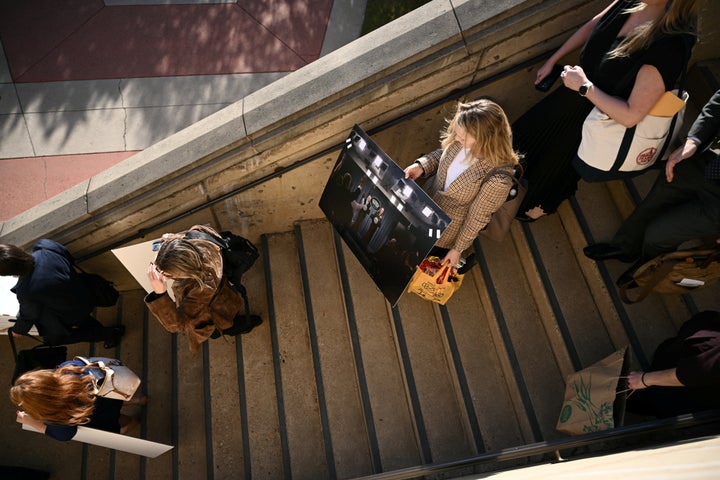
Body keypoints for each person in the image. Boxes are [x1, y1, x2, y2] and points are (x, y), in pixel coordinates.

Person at [513, 0, 699, 222]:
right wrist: (554, 59)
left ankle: (536, 205)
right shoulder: (633, 2)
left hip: (594, 121)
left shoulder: (671, 44)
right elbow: (594, 25)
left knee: (550, 172)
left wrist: (584, 87)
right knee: (518, 142)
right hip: (569, 97)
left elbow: (631, 116)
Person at [583, 89, 720, 285]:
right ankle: (625, 247)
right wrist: (693, 141)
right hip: (705, 160)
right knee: (654, 203)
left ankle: (647, 267)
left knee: (661, 233)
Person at [404, 99, 521, 268]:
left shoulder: (498, 178)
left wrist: (457, 249)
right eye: (457, 132)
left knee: (416, 262)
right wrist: (421, 166)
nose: (456, 138)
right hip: (423, 204)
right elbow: (443, 154)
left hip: (443, 233)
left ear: (485, 139)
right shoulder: (460, 140)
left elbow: (476, 218)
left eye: (463, 136)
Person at [145, 225, 262, 353]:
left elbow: (178, 324)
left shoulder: (202, 287)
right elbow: (182, 243)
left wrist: (160, 294)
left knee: (218, 327)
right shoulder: (196, 237)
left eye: (168, 274)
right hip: (223, 291)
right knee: (224, 319)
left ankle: (236, 327)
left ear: (185, 271)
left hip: (214, 309)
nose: (161, 275)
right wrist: (170, 240)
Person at [0, 240, 124, 348]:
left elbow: (28, 315)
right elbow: (69, 258)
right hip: (86, 291)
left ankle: (110, 333)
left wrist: (18, 330)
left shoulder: (26, 291)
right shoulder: (44, 246)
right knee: (79, 319)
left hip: (73, 311)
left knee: (55, 338)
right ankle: (105, 331)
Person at [10, 358, 145, 441]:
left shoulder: (58, 416)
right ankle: (138, 400)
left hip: (101, 415)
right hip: (110, 393)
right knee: (115, 401)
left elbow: (64, 435)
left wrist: (31, 422)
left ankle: (133, 422)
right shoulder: (67, 368)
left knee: (118, 421)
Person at [625, 310, 720, 418]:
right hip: (686, 357)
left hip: (690, 385)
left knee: (660, 399)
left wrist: (644, 379)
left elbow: (694, 372)